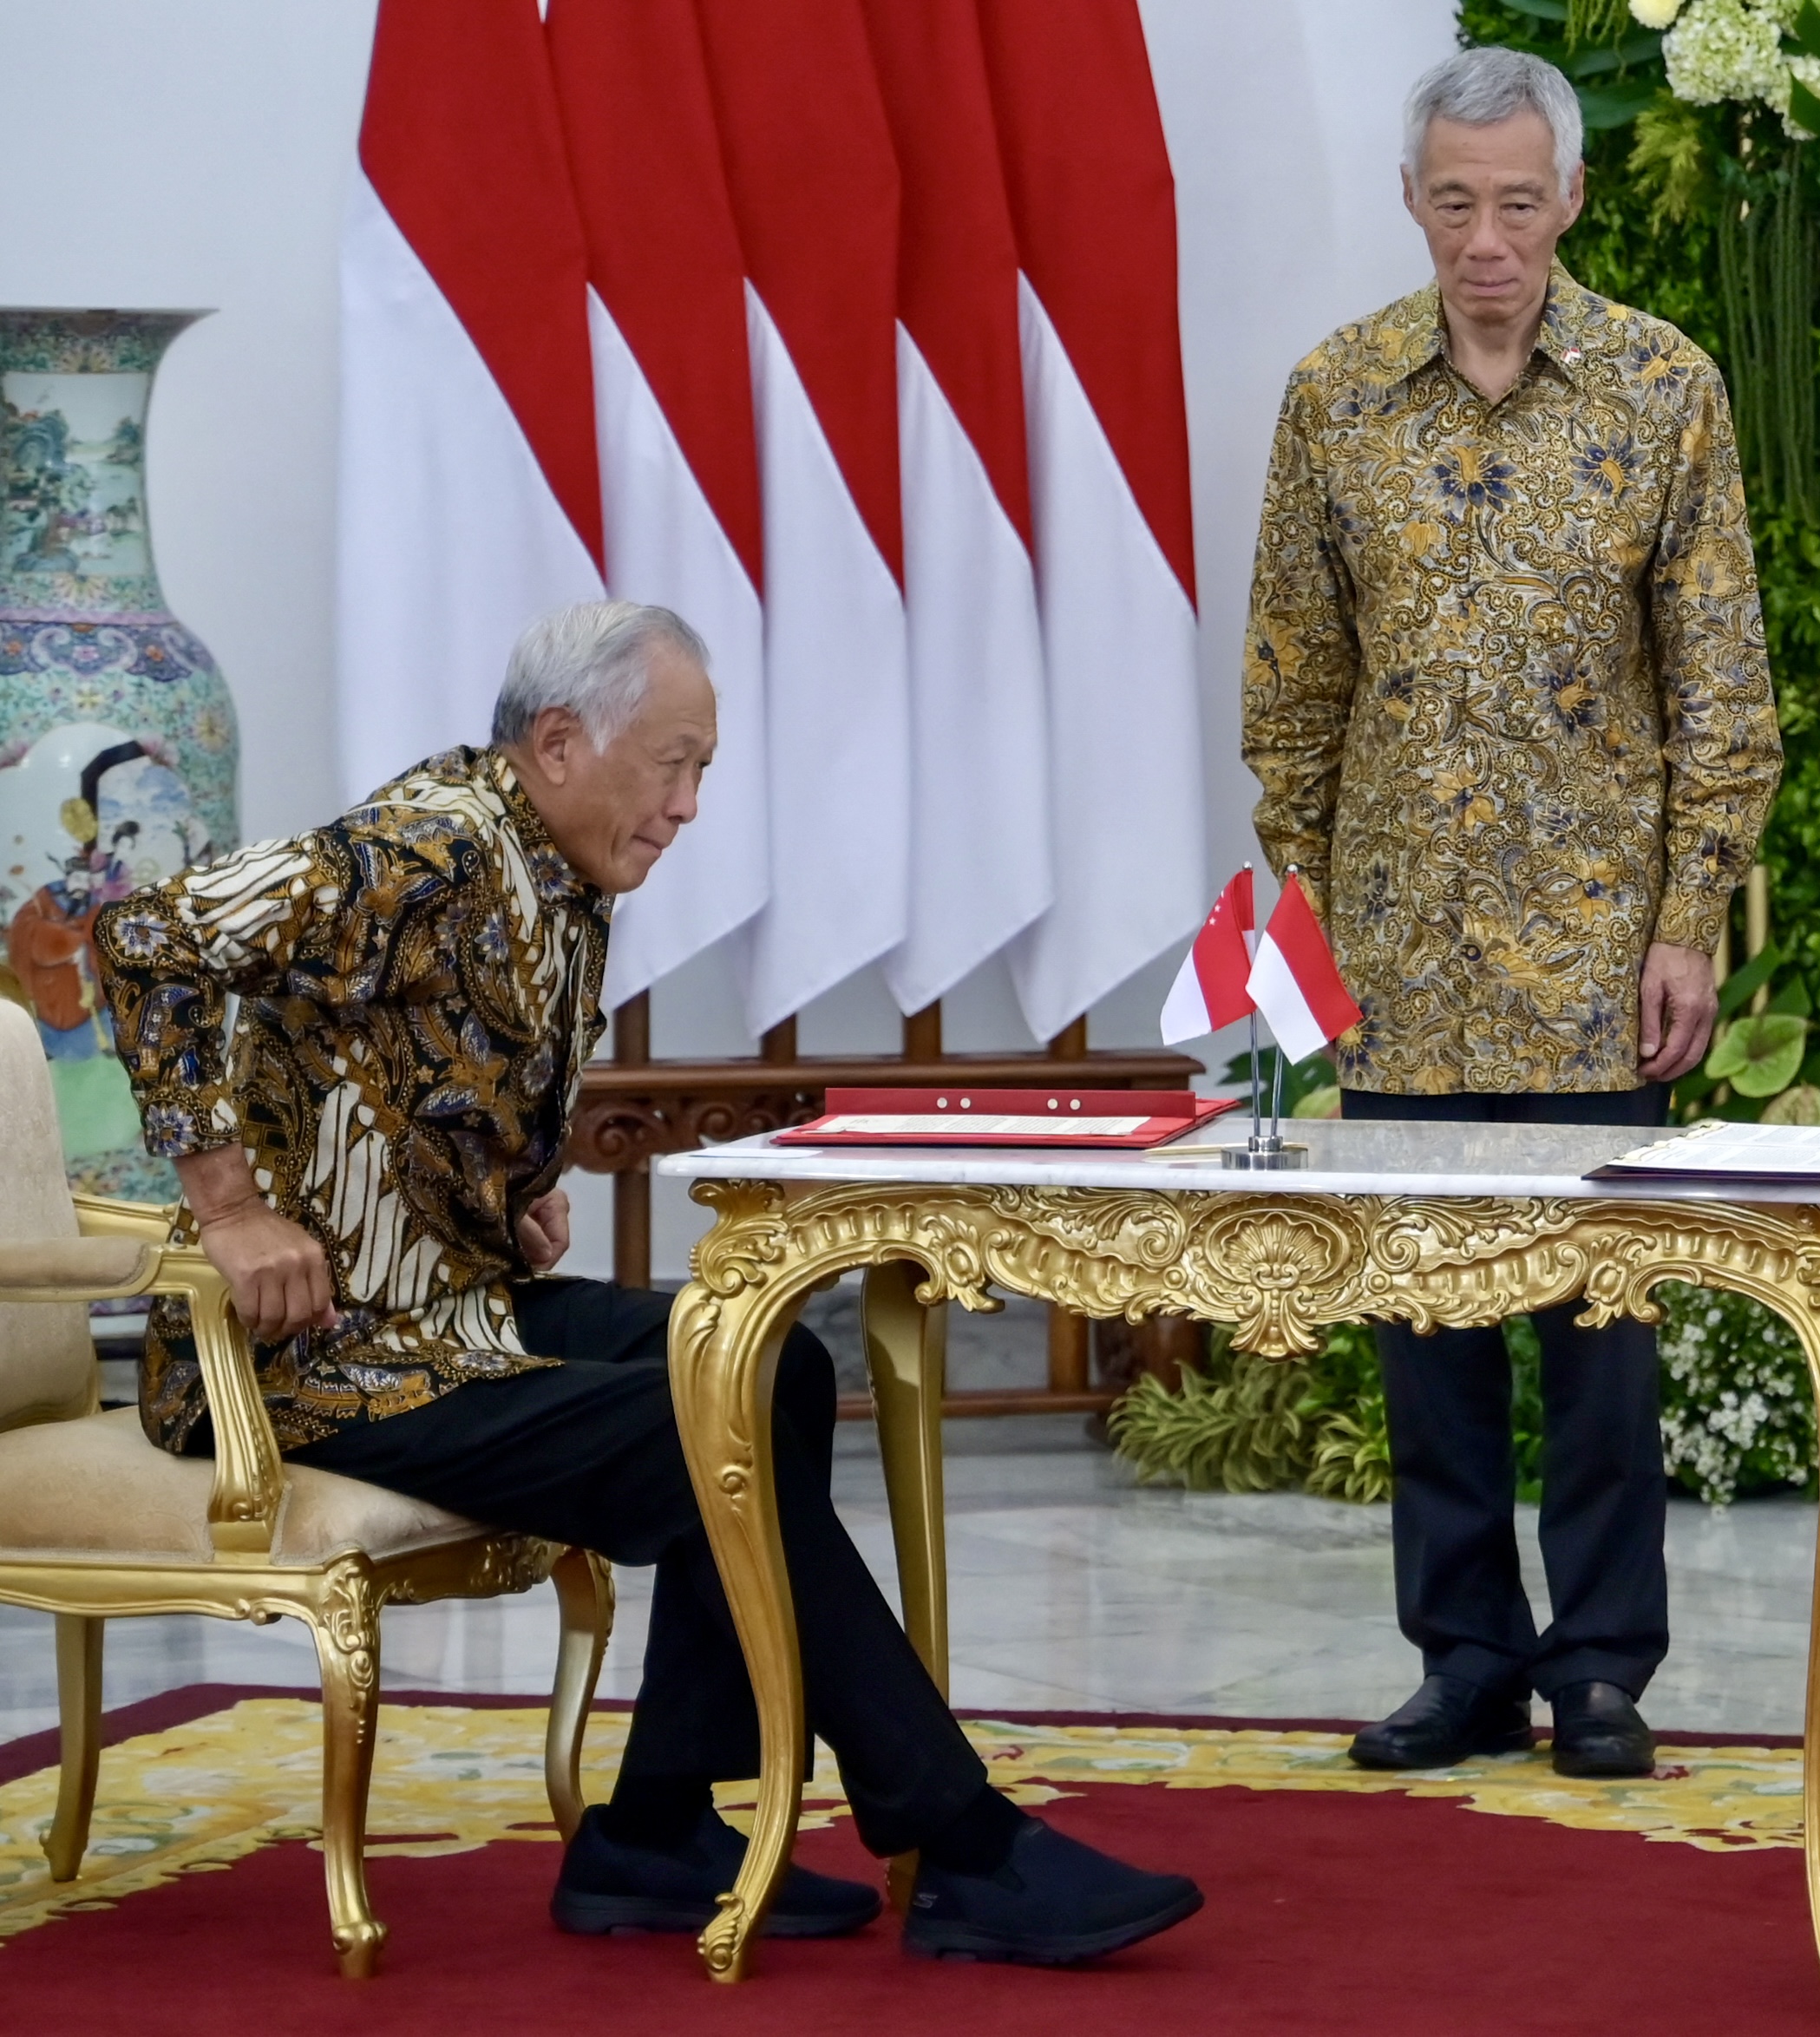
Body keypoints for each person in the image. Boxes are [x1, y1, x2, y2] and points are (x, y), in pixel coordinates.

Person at [93, 601, 1201, 1967]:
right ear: (559, 742)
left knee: (768, 1361)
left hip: (450, 1313)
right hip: (307, 1359)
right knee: (696, 1420)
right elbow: (148, 938)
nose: (687, 805)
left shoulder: (556, 873)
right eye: (672, 765)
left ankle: (660, 1829)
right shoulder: (423, 846)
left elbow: (392, 1069)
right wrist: (232, 1208)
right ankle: (960, 1835)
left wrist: (502, 1190)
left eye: (703, 773)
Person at [1241, 46, 1781, 1778]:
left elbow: (1720, 688)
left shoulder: (1657, 387)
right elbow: (1289, 685)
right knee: (1426, 1331)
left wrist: (1686, 912)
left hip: (1591, 960)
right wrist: (1307, 914)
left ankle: (1603, 1666)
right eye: (1454, 204)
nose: (1486, 240)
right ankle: (1461, 1655)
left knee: (1599, 1333)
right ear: (1413, 202)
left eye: (1518, 203)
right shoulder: (1334, 395)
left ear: (1568, 202)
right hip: (1398, 958)